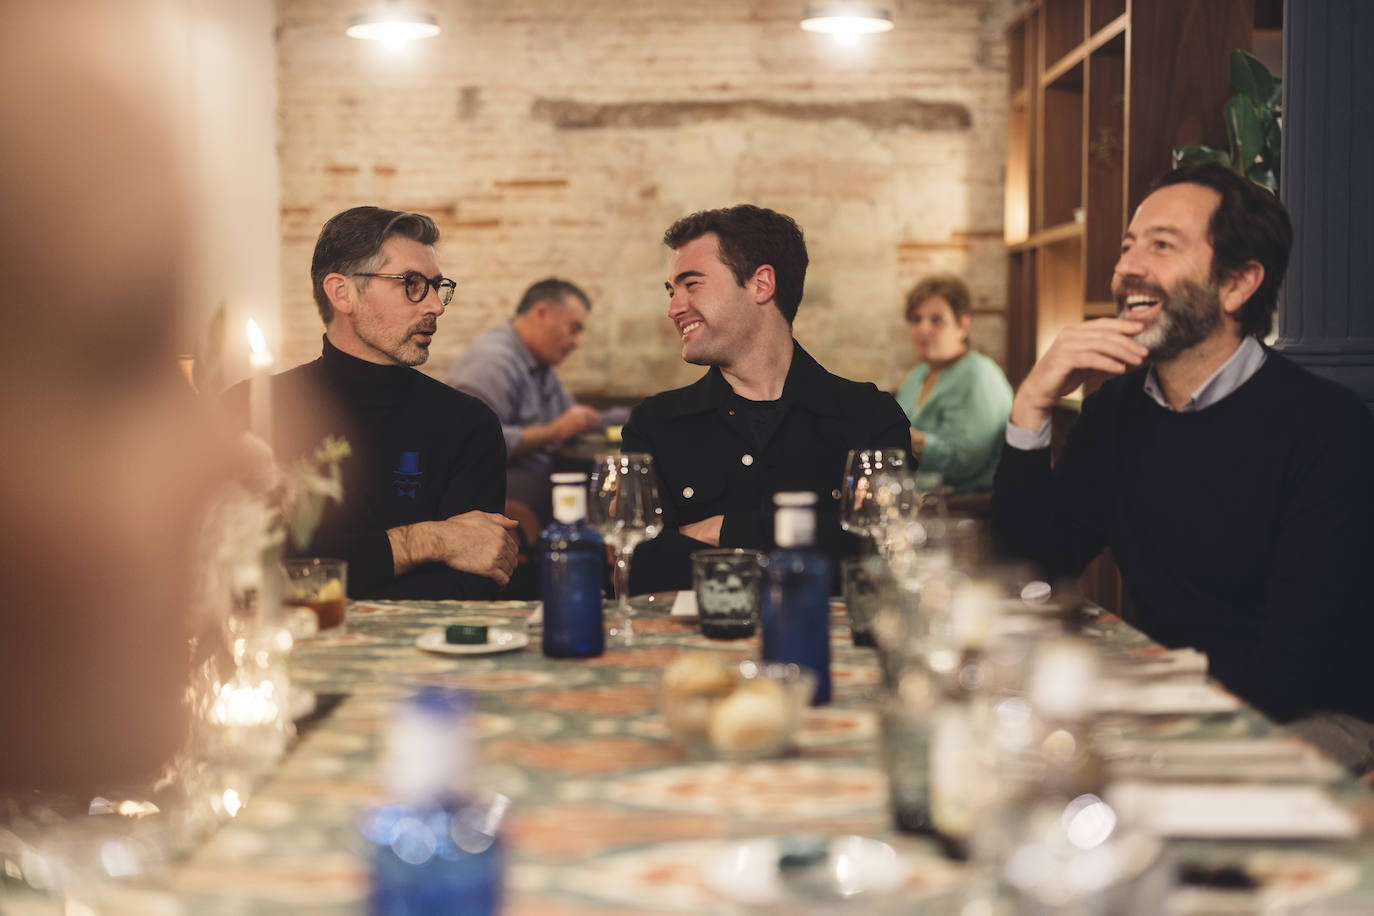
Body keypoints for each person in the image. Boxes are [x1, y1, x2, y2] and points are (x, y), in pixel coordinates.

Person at [991, 163, 1374, 722]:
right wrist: (1030, 404)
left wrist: (1129, 700)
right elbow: (1030, 573)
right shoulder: (1113, 412)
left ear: (1237, 283)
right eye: (1127, 247)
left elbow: (1295, 670)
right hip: (1173, 699)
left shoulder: (1326, 429)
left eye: (1161, 246)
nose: (1127, 269)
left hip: (1311, 722)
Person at [230, 207, 519, 600]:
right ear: (342, 293)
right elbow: (246, 577)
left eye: (437, 286)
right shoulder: (249, 411)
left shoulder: (468, 425)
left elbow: (468, 587)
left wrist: (331, 560)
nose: (436, 305)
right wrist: (423, 542)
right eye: (412, 283)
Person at [623, 204, 912, 593]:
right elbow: (645, 571)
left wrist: (728, 530)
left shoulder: (870, 419)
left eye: (692, 285)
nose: (673, 307)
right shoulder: (654, 425)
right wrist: (812, 541)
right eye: (672, 290)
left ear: (761, 285)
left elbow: (882, 555)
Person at [445, 278, 605, 529]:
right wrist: (555, 431)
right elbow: (473, 444)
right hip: (498, 492)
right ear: (541, 313)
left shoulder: (539, 364)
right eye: (573, 329)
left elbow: (578, 418)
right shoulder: (492, 361)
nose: (577, 343)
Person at [895, 274, 1013, 494]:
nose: (923, 329)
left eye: (936, 320)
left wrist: (907, 439)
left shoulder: (980, 375)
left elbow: (965, 461)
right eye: (916, 319)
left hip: (965, 508)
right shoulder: (916, 376)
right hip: (915, 500)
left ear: (963, 326)